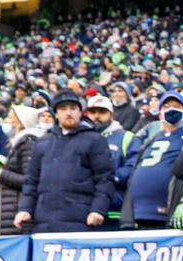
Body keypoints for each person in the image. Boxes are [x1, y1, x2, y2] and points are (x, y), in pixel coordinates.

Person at [15, 90, 115, 234]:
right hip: (44, 223)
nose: (68, 113)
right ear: (56, 113)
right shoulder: (42, 143)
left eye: (73, 108)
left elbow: (105, 178)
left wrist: (98, 210)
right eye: (63, 109)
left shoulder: (95, 140)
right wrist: (25, 209)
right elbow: (31, 181)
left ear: (80, 112)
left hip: (81, 222)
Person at [123, 90, 183, 229]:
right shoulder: (150, 140)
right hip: (139, 213)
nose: (172, 109)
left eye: (177, 106)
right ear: (160, 114)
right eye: (166, 106)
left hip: (167, 214)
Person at [86, 95, 141, 226]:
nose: (97, 116)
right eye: (93, 112)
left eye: (102, 112)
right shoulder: (80, 138)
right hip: (84, 209)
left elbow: (133, 168)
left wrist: (106, 178)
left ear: (111, 114)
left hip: (115, 209)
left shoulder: (127, 138)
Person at [0, 105, 43, 235]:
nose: (7, 121)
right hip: (11, 213)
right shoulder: (16, 143)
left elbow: (30, 179)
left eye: (10, 117)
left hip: (19, 213)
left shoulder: (29, 143)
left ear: (21, 121)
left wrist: (0, 175)